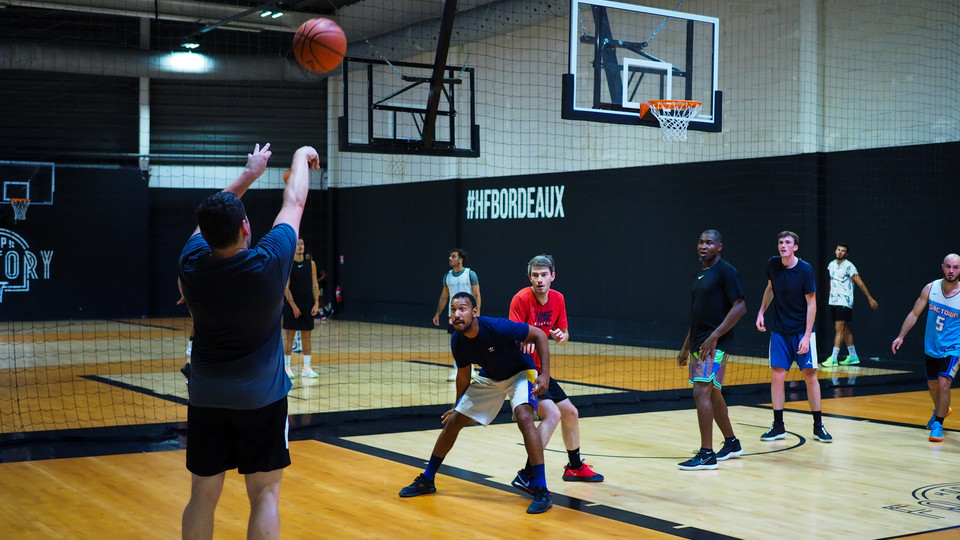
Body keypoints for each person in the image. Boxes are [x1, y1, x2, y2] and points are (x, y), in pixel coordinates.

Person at [178, 142, 320, 540]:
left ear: (204, 236)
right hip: (262, 400)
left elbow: (211, 216)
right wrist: (302, 153)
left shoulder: (190, 264)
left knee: (202, 497)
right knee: (265, 496)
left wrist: (248, 174)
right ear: (246, 228)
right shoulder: (269, 262)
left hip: (206, 397)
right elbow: (295, 200)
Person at [399, 292, 554, 514]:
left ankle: (542, 490)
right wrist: (457, 405)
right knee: (453, 422)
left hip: (520, 373)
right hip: (490, 377)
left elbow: (539, 334)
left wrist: (545, 374)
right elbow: (463, 374)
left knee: (524, 416)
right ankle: (427, 479)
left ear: (475, 312)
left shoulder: (497, 327)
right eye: (453, 310)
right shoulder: (458, 341)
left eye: (462, 309)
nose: (456, 314)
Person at [508, 254, 604, 489]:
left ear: (553, 276)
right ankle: (527, 474)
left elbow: (564, 333)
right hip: (520, 370)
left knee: (570, 413)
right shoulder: (521, 299)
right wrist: (522, 341)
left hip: (540, 370)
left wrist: (562, 337)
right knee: (552, 414)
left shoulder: (558, 299)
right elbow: (510, 334)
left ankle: (574, 467)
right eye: (535, 275)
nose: (539, 280)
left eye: (543, 275)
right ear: (529, 277)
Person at [676, 230, 747, 470]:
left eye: (709, 242)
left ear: (719, 247)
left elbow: (740, 307)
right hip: (698, 343)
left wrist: (715, 336)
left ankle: (707, 454)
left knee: (701, 391)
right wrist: (686, 346)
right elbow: (697, 315)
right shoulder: (699, 274)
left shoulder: (726, 271)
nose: (703, 246)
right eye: (700, 242)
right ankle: (732, 442)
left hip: (715, 344)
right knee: (713, 392)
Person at [755, 231, 833, 443]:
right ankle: (778, 426)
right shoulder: (772, 264)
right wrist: (761, 312)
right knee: (777, 376)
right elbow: (770, 288)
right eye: (780, 242)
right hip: (780, 331)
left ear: (795, 247)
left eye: (787, 242)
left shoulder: (805, 269)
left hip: (801, 331)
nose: (783, 245)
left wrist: (807, 336)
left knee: (810, 375)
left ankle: (818, 426)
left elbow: (812, 304)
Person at [891, 253, 960, 443]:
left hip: (954, 349)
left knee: (944, 382)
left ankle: (938, 423)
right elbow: (914, 314)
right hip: (932, 347)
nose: (951, 271)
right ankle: (940, 410)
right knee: (932, 385)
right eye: (948, 267)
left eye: (955, 268)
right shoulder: (931, 288)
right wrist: (901, 336)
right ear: (942, 267)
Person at [822, 243, 879, 367]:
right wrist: (830, 297)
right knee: (844, 328)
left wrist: (870, 298)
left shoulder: (849, 266)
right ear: (835, 250)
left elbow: (860, 283)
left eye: (843, 251)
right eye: (838, 249)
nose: (840, 252)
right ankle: (853, 356)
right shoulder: (831, 265)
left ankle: (833, 358)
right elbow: (831, 281)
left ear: (846, 254)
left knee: (839, 328)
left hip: (844, 301)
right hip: (834, 301)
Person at [432, 248, 481, 381]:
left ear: (461, 259)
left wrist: (478, 312)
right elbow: (444, 296)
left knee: (470, 341)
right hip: (453, 315)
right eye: (450, 256)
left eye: (453, 256)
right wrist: (438, 314)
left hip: (469, 315)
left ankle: (470, 369)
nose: (449, 258)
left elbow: (477, 294)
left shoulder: (470, 274)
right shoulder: (447, 276)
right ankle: (456, 370)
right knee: (455, 343)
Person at [282, 237, 321, 379]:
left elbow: (315, 284)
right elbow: (285, 288)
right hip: (292, 304)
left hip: (307, 304)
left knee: (306, 335)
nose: (300, 246)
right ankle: (287, 367)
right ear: (293, 247)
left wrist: (316, 303)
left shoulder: (311, 264)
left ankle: (306, 368)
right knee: (289, 336)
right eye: (298, 244)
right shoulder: (288, 265)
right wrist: (293, 306)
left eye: (302, 243)